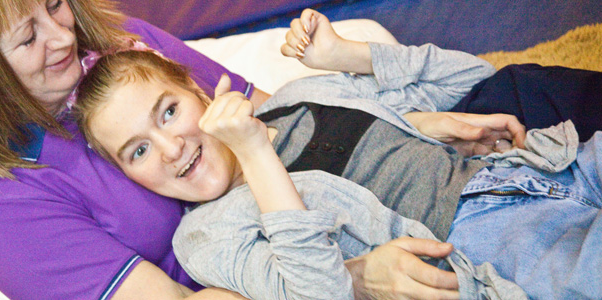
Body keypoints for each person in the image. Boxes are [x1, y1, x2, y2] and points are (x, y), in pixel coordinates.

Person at [0, 1, 547, 298]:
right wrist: (353, 278)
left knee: (521, 97)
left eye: (54, 2)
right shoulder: (3, 213)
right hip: (286, 272)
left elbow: (275, 113)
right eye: (27, 37)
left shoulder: (121, 49)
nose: (62, 35)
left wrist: (407, 124)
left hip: (325, 194)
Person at [74, 10, 602, 299]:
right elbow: (319, 292)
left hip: (538, 168)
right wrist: (256, 157)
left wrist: (348, 57)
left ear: (198, 90)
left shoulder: (294, 100)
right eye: (137, 151)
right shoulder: (204, 236)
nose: (170, 149)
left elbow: (476, 78)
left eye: (168, 111)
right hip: (488, 243)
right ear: (128, 175)